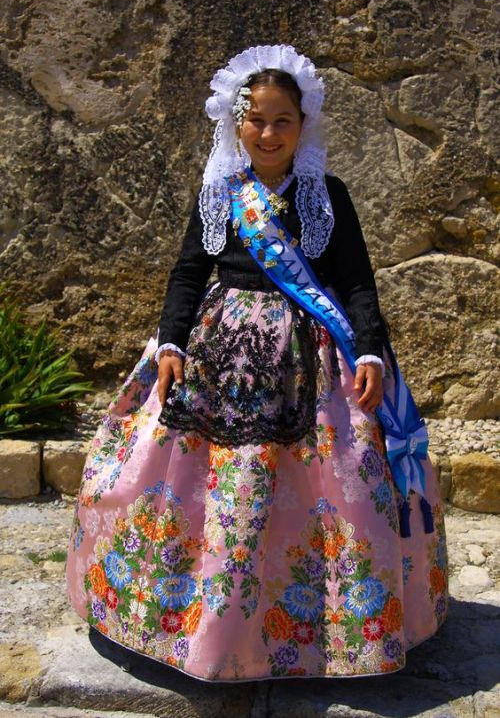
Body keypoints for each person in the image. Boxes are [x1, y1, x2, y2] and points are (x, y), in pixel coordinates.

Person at [66, 45, 448, 682]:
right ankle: (193, 620)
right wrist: (170, 344)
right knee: (203, 485)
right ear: (236, 124)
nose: (268, 133)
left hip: (311, 358)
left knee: (332, 485)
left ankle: (321, 627)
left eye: (282, 121)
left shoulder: (328, 196)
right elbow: (189, 273)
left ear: (304, 125)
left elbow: (355, 282)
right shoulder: (220, 194)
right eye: (256, 120)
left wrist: (371, 350)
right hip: (222, 356)